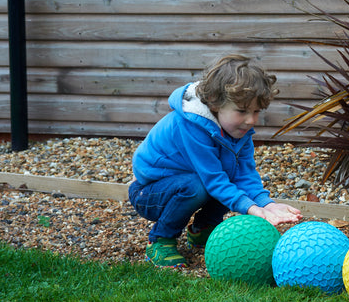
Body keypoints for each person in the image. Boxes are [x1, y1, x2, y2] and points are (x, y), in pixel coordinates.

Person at [129, 54, 302, 268]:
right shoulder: (191, 126)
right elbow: (213, 179)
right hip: (150, 194)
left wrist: (265, 203)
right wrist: (250, 208)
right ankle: (160, 239)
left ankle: (202, 230)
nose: (251, 120)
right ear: (215, 102)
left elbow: (245, 174)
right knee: (198, 186)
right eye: (242, 111)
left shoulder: (239, 131)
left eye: (256, 111)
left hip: (191, 183)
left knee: (221, 179)